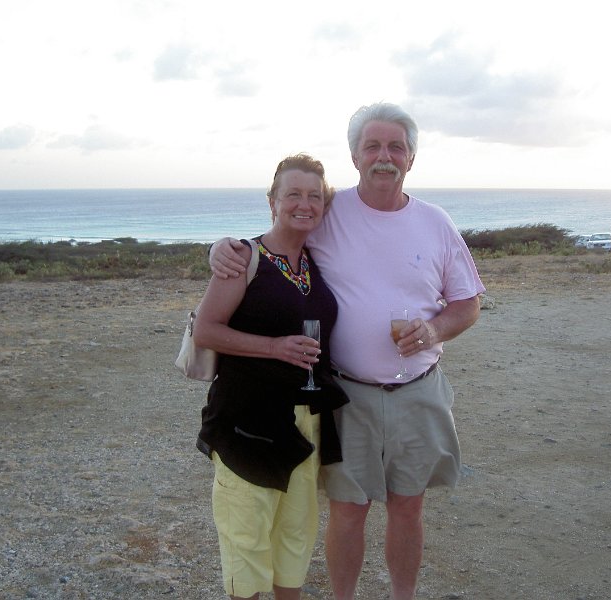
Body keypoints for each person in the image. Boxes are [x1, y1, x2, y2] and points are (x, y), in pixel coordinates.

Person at [209, 103, 485, 600]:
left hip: (419, 391)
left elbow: (467, 304)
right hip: (348, 395)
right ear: (355, 157)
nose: (384, 157)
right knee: (349, 510)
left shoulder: (436, 222)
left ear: (411, 158)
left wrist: (434, 330)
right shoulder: (330, 213)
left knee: (408, 507)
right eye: (372, 146)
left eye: (396, 147)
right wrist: (224, 247)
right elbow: (281, 231)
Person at [193, 153, 349, 600]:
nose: (304, 204)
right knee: (247, 541)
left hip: (305, 422)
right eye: (293, 194)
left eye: (314, 196)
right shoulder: (245, 257)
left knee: (294, 539)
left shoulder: (315, 261)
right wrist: (274, 347)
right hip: (247, 421)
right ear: (272, 201)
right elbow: (206, 330)